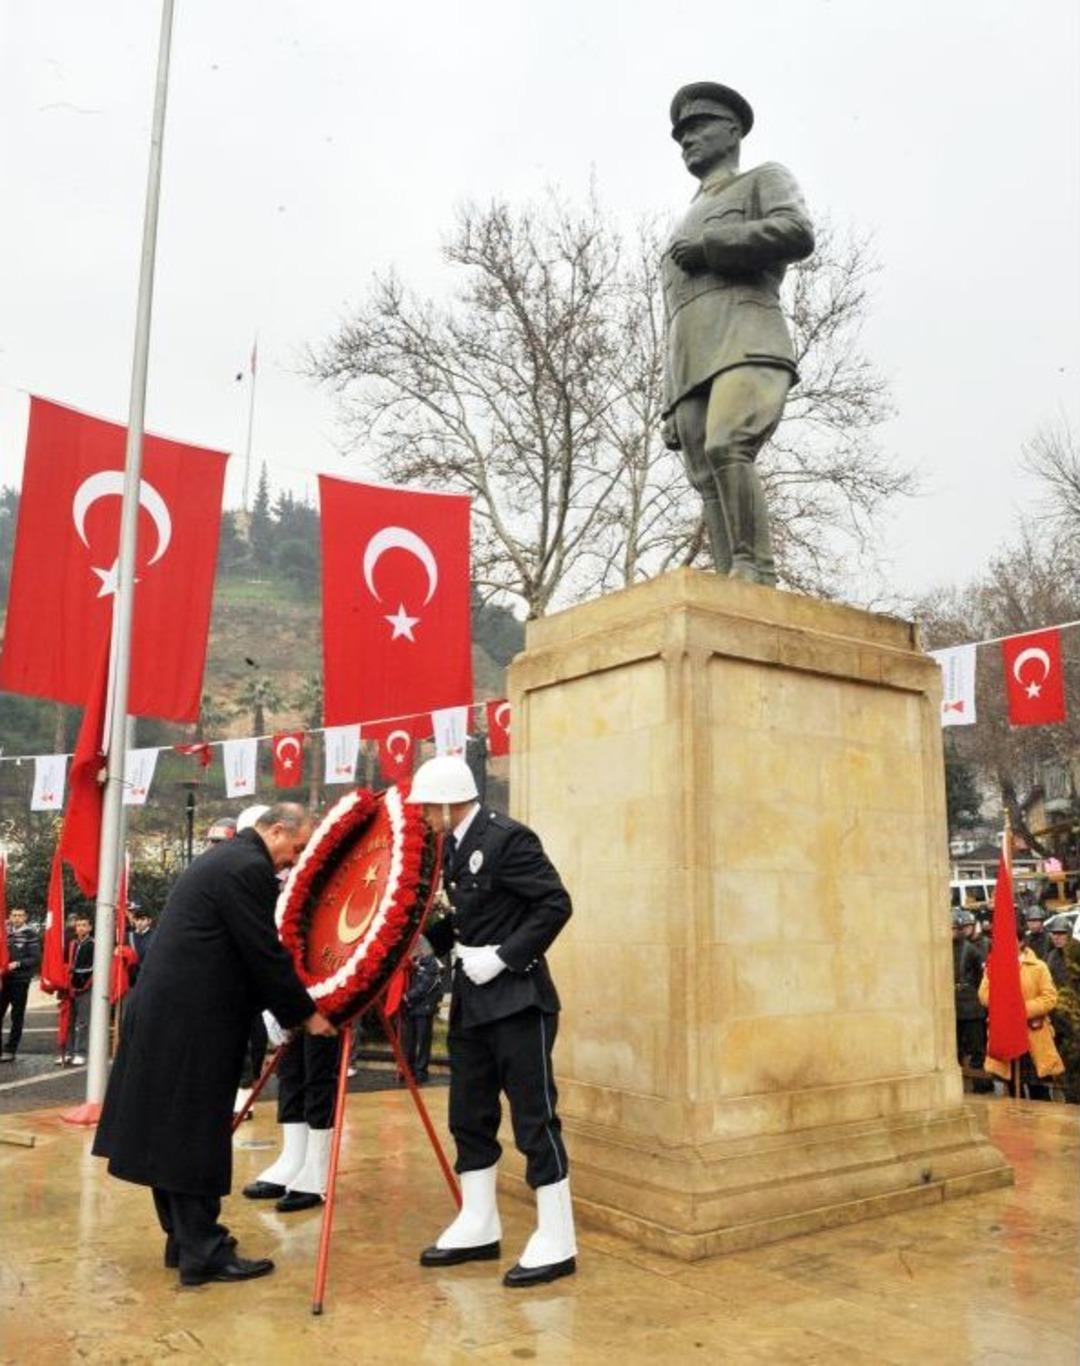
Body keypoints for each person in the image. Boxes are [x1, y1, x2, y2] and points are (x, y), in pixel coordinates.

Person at [92, 803, 337, 1287]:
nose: (295, 859)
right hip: (191, 1022)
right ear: (277, 830)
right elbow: (262, 952)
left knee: (168, 1133)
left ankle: (185, 1238)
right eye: (297, 847)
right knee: (191, 1135)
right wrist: (306, 1015)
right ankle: (203, 1251)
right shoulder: (248, 868)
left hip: (169, 1015)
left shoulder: (224, 860)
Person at [407, 756, 576, 1289]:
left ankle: (557, 1236)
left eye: (427, 809)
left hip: (518, 999)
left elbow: (554, 903)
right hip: (473, 1003)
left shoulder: (507, 838)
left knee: (533, 1118)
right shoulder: (454, 846)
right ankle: (478, 1221)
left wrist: (505, 956)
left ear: (446, 802)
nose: (424, 818)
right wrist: (424, 941)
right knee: (469, 1113)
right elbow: (472, 916)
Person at [660, 81, 814, 586]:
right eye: (681, 134)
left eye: (698, 127)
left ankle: (754, 570)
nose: (687, 139)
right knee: (705, 477)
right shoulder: (682, 220)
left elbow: (796, 232)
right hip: (691, 361)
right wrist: (669, 399)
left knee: (729, 445)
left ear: (731, 131)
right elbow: (674, 315)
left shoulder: (762, 180)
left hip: (748, 340)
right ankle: (730, 576)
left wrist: (714, 245)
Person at [241, 1022, 339, 1213]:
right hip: (301, 1000)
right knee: (290, 1072)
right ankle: (294, 1159)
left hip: (330, 1005)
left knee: (319, 1072)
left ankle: (317, 1167)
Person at [979, 915, 1064, 1101]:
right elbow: (984, 994)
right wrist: (1004, 1008)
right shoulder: (994, 966)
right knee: (1011, 1090)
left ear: (1021, 942)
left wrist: (1021, 1010)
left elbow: (1050, 997)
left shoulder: (1038, 967)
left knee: (1037, 1091)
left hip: (1033, 1034)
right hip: (1005, 1034)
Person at [952, 911, 990, 1091]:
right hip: (954, 1006)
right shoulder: (945, 949)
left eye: (955, 928)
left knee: (977, 1049)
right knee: (956, 1049)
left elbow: (982, 977)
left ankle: (981, 1085)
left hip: (972, 1006)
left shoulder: (972, 949)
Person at [0, 908, 41, 1063]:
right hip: (4, 980)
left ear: (25, 917)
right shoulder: (5, 933)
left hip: (20, 980)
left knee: (17, 1016)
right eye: (14, 915)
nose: (17, 918)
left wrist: (17, 963)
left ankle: (10, 1049)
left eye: (20, 916)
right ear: (10, 917)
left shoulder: (30, 934)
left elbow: (35, 958)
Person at [401, 941, 444, 1084]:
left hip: (423, 1007)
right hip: (411, 1007)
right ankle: (408, 1070)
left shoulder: (430, 962)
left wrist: (408, 995)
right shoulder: (412, 962)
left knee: (423, 1041)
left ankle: (421, 1072)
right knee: (409, 1041)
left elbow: (426, 984)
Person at [62, 913, 95, 1066]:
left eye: (84, 925)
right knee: (69, 1021)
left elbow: (93, 967)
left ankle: (81, 1052)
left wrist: (79, 975)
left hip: (85, 986)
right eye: (78, 925)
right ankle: (68, 1052)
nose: (81, 928)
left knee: (83, 1022)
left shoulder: (93, 944)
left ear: (90, 927)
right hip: (71, 986)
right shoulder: (72, 944)